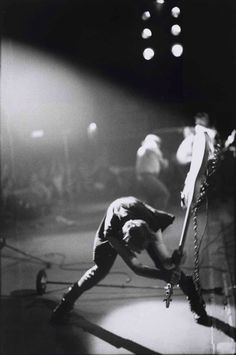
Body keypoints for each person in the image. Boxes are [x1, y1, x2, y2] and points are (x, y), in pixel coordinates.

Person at [51, 196, 211, 326]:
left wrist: (174, 260)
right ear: (126, 243)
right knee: (101, 269)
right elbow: (136, 267)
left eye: (144, 246)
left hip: (138, 211)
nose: (141, 252)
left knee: (163, 265)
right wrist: (165, 276)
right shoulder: (112, 233)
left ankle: (195, 302)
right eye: (137, 249)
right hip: (115, 219)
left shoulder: (152, 225)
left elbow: (167, 262)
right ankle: (67, 301)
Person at [136, 134, 170, 210]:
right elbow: (163, 164)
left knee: (150, 200)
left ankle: (150, 219)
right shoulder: (151, 147)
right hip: (148, 177)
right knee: (163, 194)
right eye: (158, 143)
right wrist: (165, 162)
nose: (159, 145)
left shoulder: (143, 149)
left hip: (143, 177)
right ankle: (158, 217)